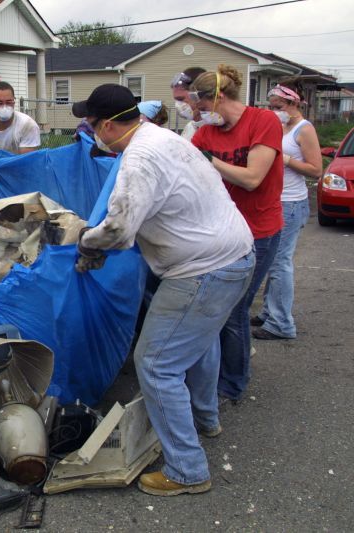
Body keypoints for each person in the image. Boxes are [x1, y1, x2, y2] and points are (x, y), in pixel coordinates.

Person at [73, 84, 254, 496]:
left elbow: (118, 231)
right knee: (198, 341)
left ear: (108, 125)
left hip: (204, 269)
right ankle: (205, 418)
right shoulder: (161, 135)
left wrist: (87, 241)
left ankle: (187, 471)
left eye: (92, 123)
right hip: (235, 254)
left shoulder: (139, 159)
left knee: (156, 363)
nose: (90, 130)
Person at [189, 65, 284, 402]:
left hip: (259, 230)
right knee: (216, 308)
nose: (198, 116)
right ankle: (215, 377)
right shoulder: (205, 134)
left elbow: (252, 178)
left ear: (217, 98)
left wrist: (209, 160)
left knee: (235, 308)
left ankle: (233, 383)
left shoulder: (263, 122)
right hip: (222, 232)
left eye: (201, 108)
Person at [252, 79, 322, 340]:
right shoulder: (281, 126)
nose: (274, 109)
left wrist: (287, 158)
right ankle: (270, 312)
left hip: (291, 204)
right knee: (270, 262)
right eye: (271, 105)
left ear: (293, 102)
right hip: (275, 200)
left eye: (279, 105)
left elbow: (316, 170)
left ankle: (281, 323)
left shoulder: (304, 129)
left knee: (280, 263)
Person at [0, 81, 41, 155]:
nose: (4, 107)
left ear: (14, 101)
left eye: (9, 102)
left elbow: (25, 161)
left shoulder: (27, 125)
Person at [171, 67, 206, 140]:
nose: (178, 104)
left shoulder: (219, 128)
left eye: (181, 99)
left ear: (198, 95)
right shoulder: (190, 127)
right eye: (176, 100)